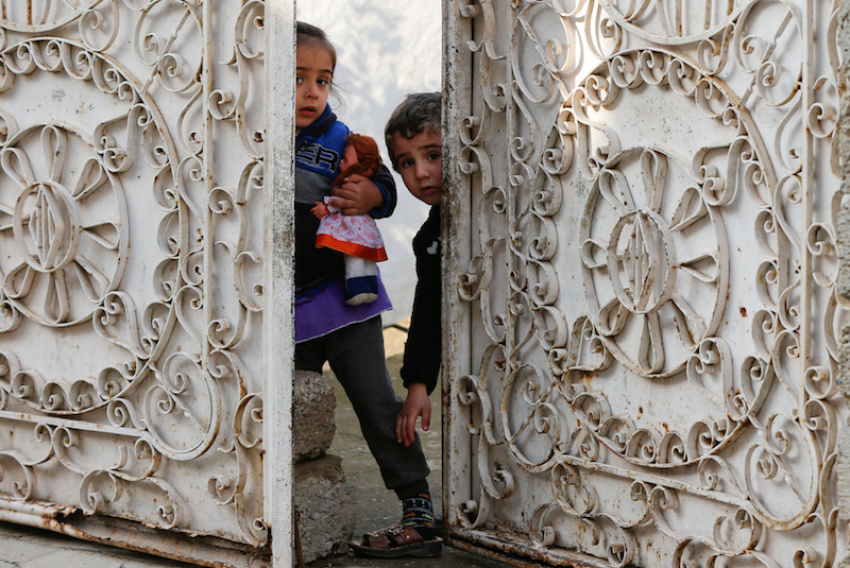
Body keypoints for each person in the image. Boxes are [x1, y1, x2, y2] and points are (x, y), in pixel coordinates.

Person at [293, 22, 441, 559]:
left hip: (345, 300)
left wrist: (367, 194)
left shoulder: (340, 139)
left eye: (323, 80)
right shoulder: (253, 137)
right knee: (284, 402)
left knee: (379, 404)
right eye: (298, 78)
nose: (312, 92)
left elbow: (384, 188)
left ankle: (417, 503)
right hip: (288, 307)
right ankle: (282, 503)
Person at [383, 92, 443, 453]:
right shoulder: (429, 238)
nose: (420, 173)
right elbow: (429, 306)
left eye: (433, 155)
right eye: (406, 162)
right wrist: (418, 384)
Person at [311, 133, 388, 305]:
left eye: (345, 159)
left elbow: (341, 200)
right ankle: (370, 287)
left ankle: (357, 288)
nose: (340, 163)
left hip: (352, 228)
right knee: (366, 257)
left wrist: (326, 208)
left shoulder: (351, 182)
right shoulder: (362, 181)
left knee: (353, 256)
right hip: (367, 228)